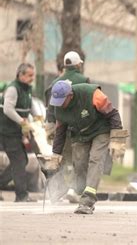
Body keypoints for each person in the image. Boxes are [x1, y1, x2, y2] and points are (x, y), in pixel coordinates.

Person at [48, 80, 127, 214]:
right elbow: (60, 132)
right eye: (57, 101)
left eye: (62, 100)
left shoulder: (92, 94)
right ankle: (83, 191)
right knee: (79, 164)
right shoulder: (59, 108)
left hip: (101, 130)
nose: (59, 104)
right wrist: (55, 155)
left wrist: (117, 140)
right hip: (80, 134)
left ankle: (88, 201)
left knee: (95, 159)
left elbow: (113, 114)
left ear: (70, 95)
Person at [44, 51, 90, 203]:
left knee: (61, 161)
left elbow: (51, 109)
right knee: (80, 162)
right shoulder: (84, 80)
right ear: (78, 65)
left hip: (61, 128)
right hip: (80, 129)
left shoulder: (55, 82)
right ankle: (78, 191)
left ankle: (59, 191)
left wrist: (50, 129)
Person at [0, 63, 38, 202]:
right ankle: (21, 195)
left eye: (33, 75)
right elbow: (8, 110)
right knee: (19, 161)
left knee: (22, 160)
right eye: (29, 75)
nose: (32, 78)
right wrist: (22, 122)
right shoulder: (13, 89)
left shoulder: (26, 89)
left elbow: (29, 107)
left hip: (16, 132)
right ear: (20, 75)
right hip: (7, 131)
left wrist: (37, 118)